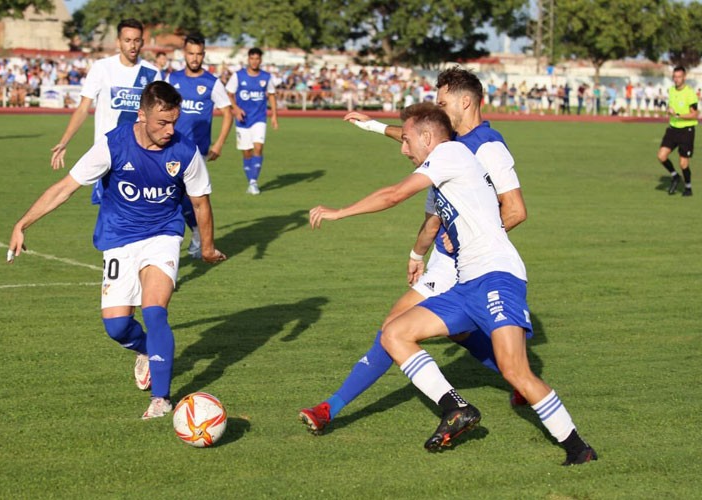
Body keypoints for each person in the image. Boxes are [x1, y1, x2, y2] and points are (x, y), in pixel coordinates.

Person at [308, 102, 597, 466]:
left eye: (408, 139)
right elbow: (430, 220)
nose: (403, 148)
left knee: (515, 371)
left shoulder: (449, 153)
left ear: (428, 137)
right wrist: (417, 255)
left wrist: (339, 211)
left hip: (497, 275)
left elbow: (395, 194)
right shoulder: (443, 161)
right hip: (464, 283)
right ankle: (456, 408)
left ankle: (577, 447)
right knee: (394, 333)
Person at [299, 66, 528, 434]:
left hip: (466, 261)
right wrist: (374, 126)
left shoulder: (489, 147)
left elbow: (515, 210)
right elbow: (417, 135)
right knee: (456, 332)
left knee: (394, 327)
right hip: (441, 258)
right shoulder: (447, 141)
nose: (437, 107)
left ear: (465, 101)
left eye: (442, 101)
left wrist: (473, 237)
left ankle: (332, 407)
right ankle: (519, 378)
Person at [8, 82, 226, 418]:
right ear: (142, 115)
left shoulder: (185, 151)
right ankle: (147, 351)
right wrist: (22, 224)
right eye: (162, 123)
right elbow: (65, 188)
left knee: (155, 311)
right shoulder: (112, 145)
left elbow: (200, 203)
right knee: (117, 328)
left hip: (163, 235)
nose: (170, 131)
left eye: (174, 122)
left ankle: (161, 399)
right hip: (119, 238)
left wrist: (207, 249)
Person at [50, 19, 161, 205]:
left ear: (142, 42)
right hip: (107, 151)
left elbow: (157, 115)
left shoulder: (152, 73)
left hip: (139, 152)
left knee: (136, 208)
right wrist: (64, 141)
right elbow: (83, 108)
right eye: (127, 40)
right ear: (118, 42)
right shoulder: (102, 68)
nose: (132, 45)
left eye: (137, 40)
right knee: (107, 208)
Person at [166, 34, 234, 259]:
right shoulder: (172, 79)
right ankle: (193, 234)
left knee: (191, 197)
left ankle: (196, 238)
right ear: (184, 54)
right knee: (172, 197)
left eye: (198, 54)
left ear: (203, 55)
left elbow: (227, 113)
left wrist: (219, 143)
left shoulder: (212, 83)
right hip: (170, 147)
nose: (194, 58)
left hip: (197, 151)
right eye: (190, 53)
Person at [225, 47, 279, 195]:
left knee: (258, 148)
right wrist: (235, 108)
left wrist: (274, 115)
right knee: (246, 152)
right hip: (242, 120)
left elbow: (272, 95)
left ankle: (254, 182)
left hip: (259, 118)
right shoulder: (238, 76)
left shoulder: (266, 77)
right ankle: (250, 181)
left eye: (257, 59)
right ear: (248, 59)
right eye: (252, 58)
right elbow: (229, 93)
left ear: (260, 60)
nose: (254, 61)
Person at [657, 66, 698, 197]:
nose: (676, 79)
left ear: (684, 77)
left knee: (683, 163)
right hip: (673, 129)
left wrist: (678, 115)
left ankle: (688, 187)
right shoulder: (671, 90)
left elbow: (694, 114)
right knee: (661, 156)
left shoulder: (690, 93)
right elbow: (671, 106)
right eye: (674, 77)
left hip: (687, 130)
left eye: (679, 77)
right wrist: (669, 110)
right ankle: (675, 176)